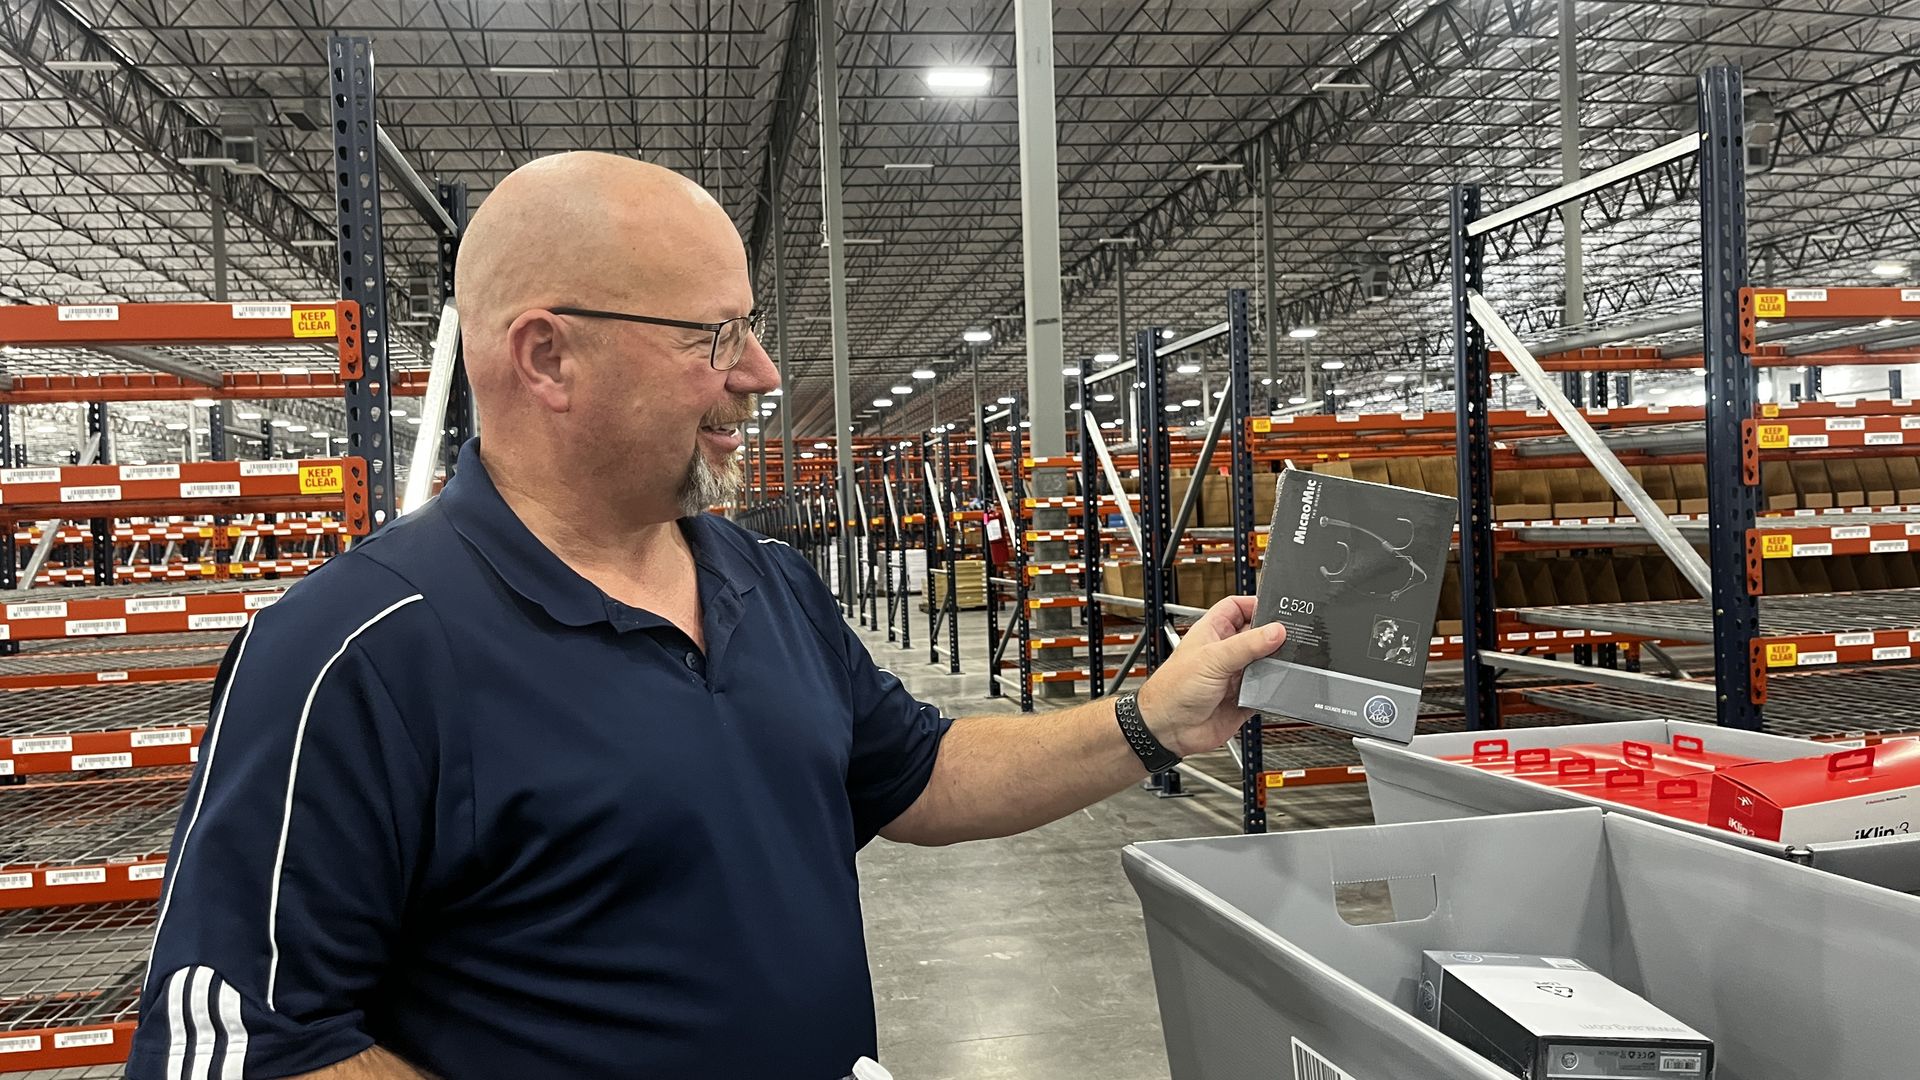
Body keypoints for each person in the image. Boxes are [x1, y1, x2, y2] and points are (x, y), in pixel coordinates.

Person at [127, 152, 1285, 1079]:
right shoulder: (353, 654)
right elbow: (249, 1047)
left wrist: (1148, 719)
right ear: (548, 355)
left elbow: (916, 774)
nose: (763, 371)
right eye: (715, 335)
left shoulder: (760, 579)